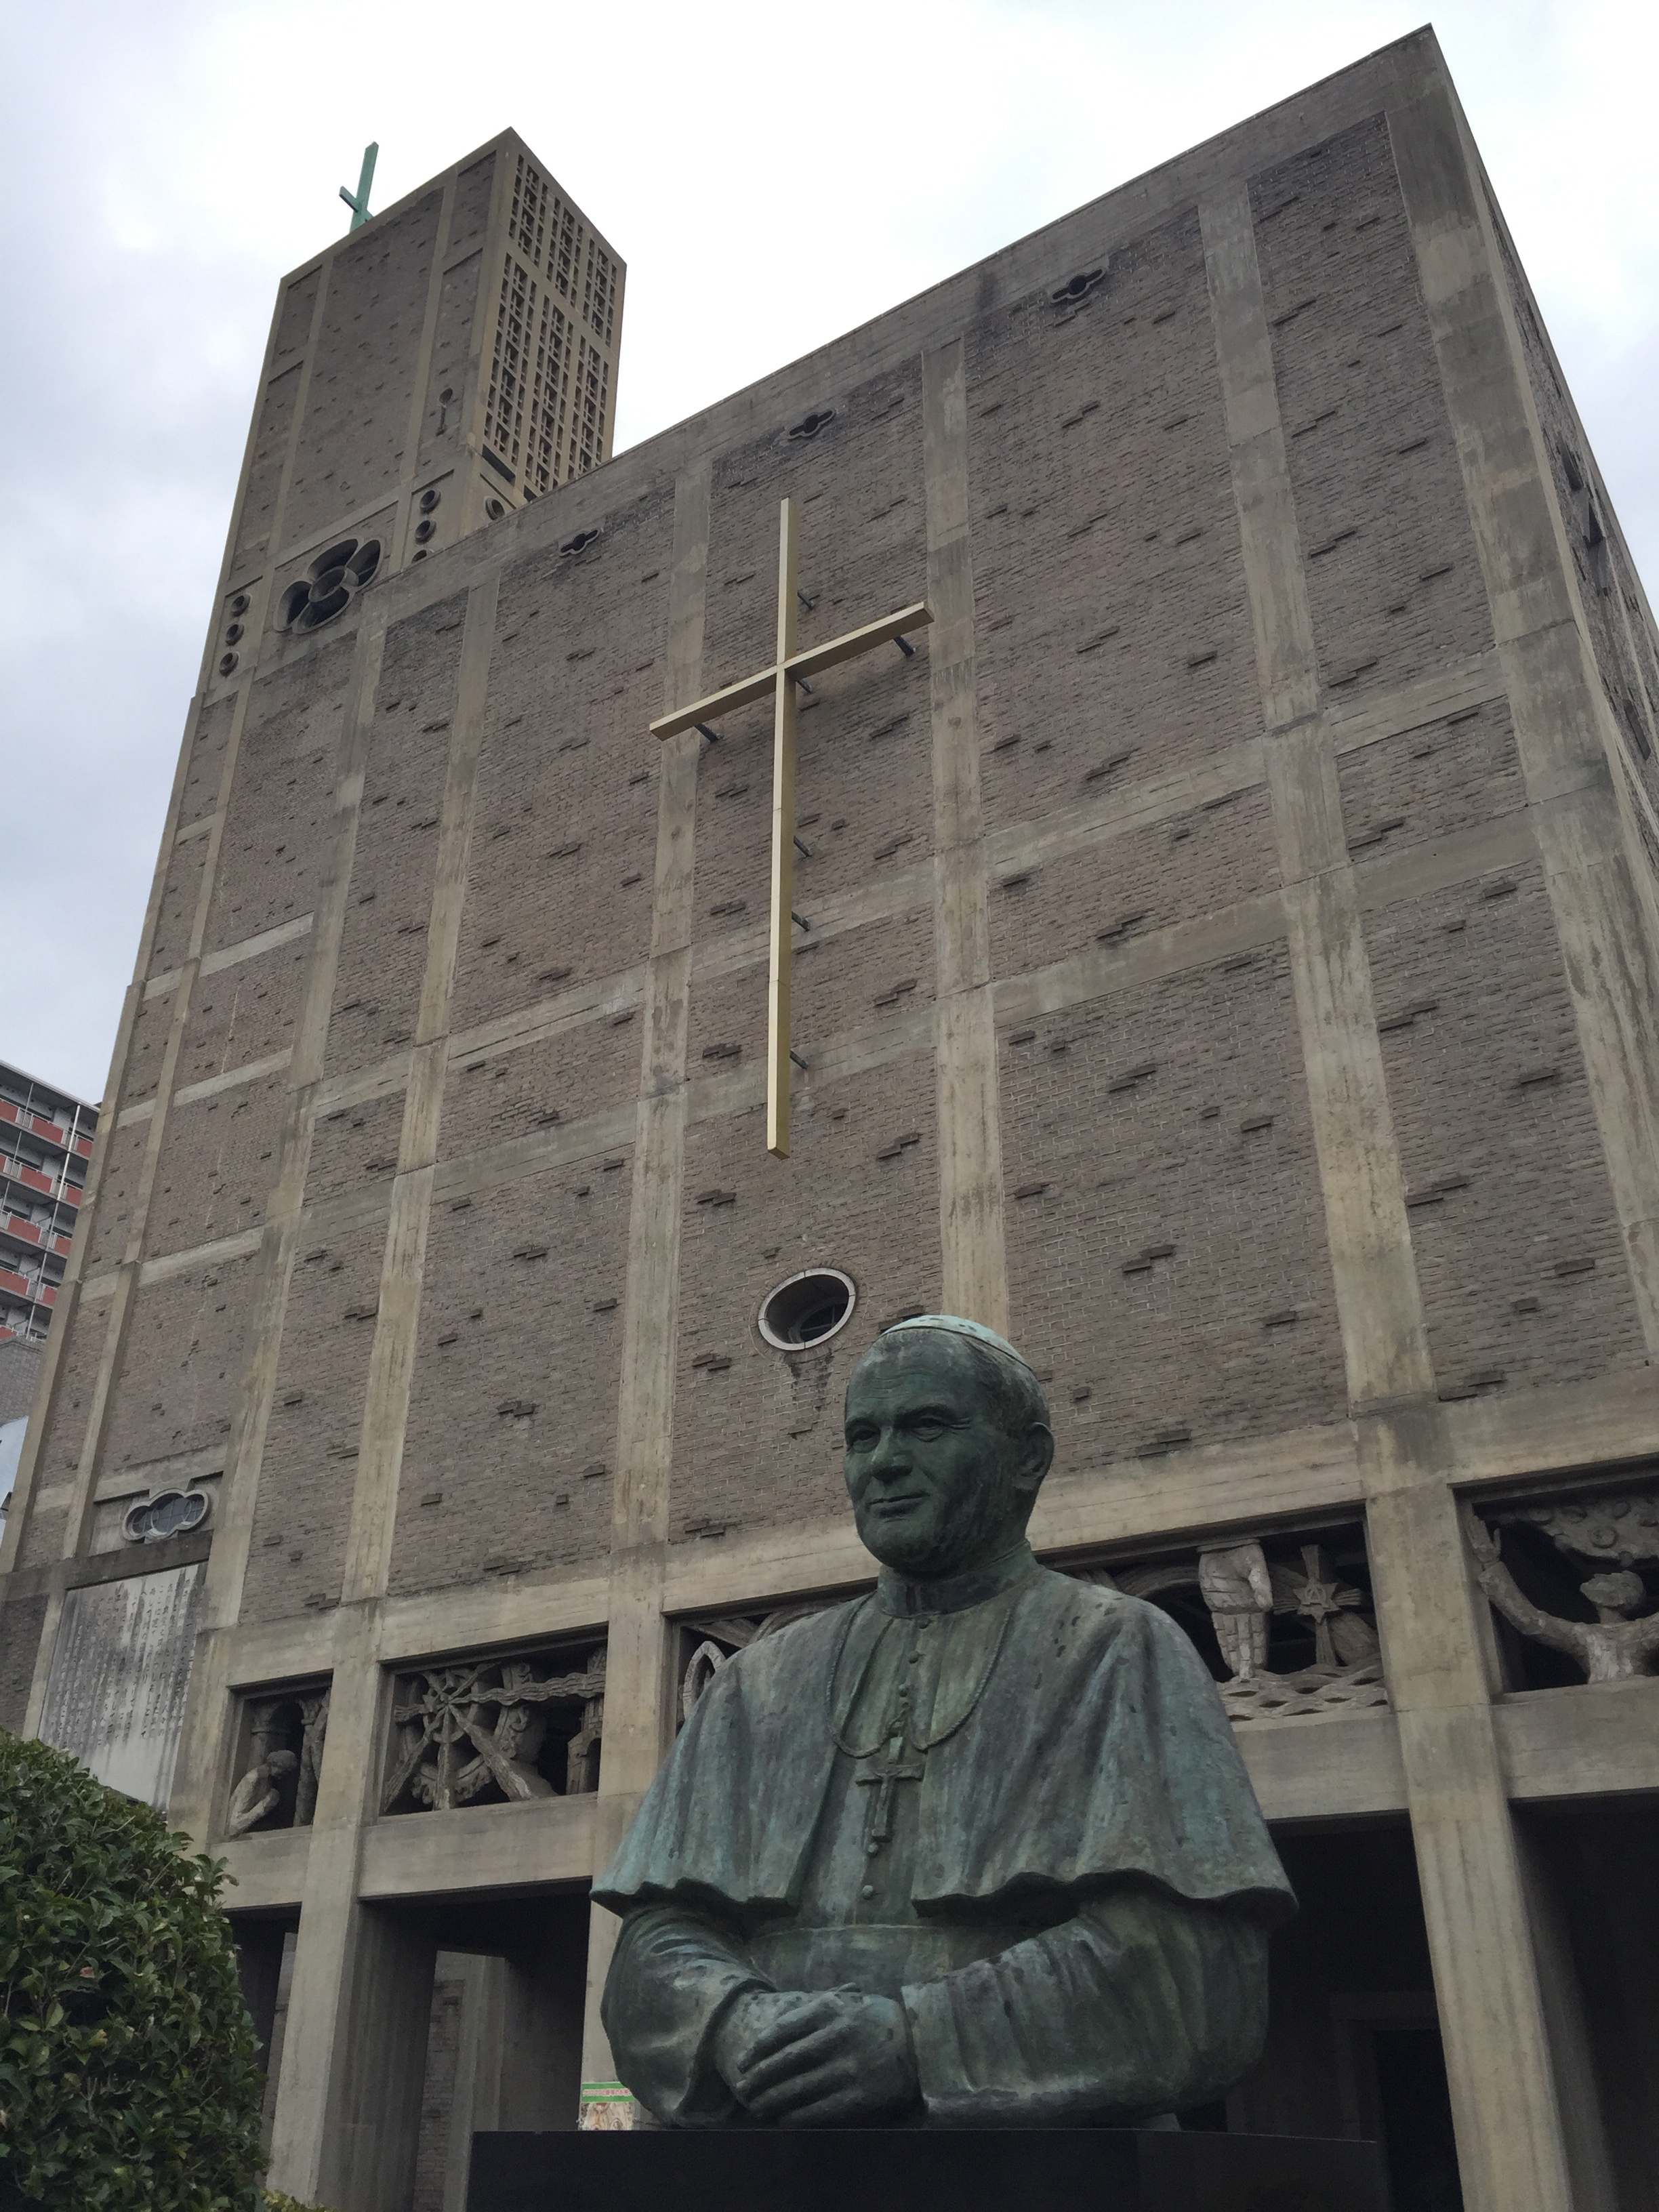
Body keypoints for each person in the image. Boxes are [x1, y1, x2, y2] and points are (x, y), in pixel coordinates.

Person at [596, 1315, 1294, 2129]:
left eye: (926, 1427)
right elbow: (652, 1945)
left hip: (1036, 2165)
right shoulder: (758, 1681)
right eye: (863, 1437)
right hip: (772, 2146)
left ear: (1028, 1458)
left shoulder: (1118, 1650)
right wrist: (730, 2022)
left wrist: (921, 2040)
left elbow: (1194, 1970)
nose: (885, 1461)